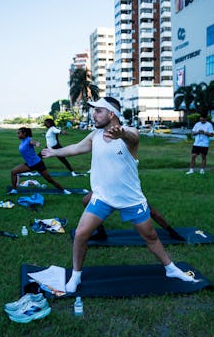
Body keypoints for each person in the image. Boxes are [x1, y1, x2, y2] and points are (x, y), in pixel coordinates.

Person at [42, 97, 198, 293]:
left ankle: (171, 269)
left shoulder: (130, 133)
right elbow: (76, 148)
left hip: (131, 199)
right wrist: (54, 153)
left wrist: (121, 134)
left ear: (111, 114)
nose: (94, 114)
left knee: (150, 237)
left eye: (98, 111)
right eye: (94, 110)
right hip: (103, 197)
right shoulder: (95, 135)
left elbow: (132, 139)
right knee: (81, 234)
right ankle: (76, 275)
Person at [82, 192, 185, 242]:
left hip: (127, 190)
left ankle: (171, 231)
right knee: (86, 200)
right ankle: (101, 233)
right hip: (107, 189)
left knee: (151, 212)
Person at [8, 127, 71, 195]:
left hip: (38, 164)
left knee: (49, 180)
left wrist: (36, 143)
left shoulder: (29, 140)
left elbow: (33, 142)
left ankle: (64, 190)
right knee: (13, 172)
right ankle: (14, 190)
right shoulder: (22, 141)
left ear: (24, 134)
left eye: (19, 133)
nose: (17, 135)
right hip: (29, 164)